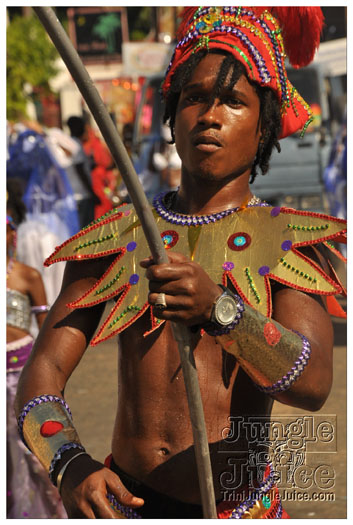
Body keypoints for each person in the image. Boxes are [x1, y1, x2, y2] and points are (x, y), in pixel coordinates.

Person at [15, 7, 346, 519]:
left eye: (234, 101)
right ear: (171, 115)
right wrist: (69, 465)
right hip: (125, 505)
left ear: (265, 128)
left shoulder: (287, 243)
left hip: (237, 509)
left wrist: (222, 312)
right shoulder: (121, 236)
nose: (210, 115)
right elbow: (44, 372)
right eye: (194, 98)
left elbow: (313, 382)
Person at [6, 183, 67, 519]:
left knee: (35, 452)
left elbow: (47, 329)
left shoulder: (26, 276)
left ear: (12, 236)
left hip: (22, 372)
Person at [65, 115, 100, 228]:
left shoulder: (71, 143)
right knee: (85, 233)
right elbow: (80, 171)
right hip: (82, 196)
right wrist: (92, 193)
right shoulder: (75, 144)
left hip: (76, 195)